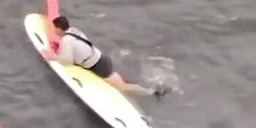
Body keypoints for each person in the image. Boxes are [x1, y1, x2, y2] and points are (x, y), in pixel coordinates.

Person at [41, 16, 169, 97]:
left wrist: (53, 57)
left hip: (99, 66)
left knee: (123, 87)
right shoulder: (74, 31)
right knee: (121, 83)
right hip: (101, 58)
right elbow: (77, 47)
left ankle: (151, 92)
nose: (53, 30)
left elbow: (66, 61)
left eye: (54, 28)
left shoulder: (66, 40)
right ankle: (150, 91)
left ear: (59, 28)